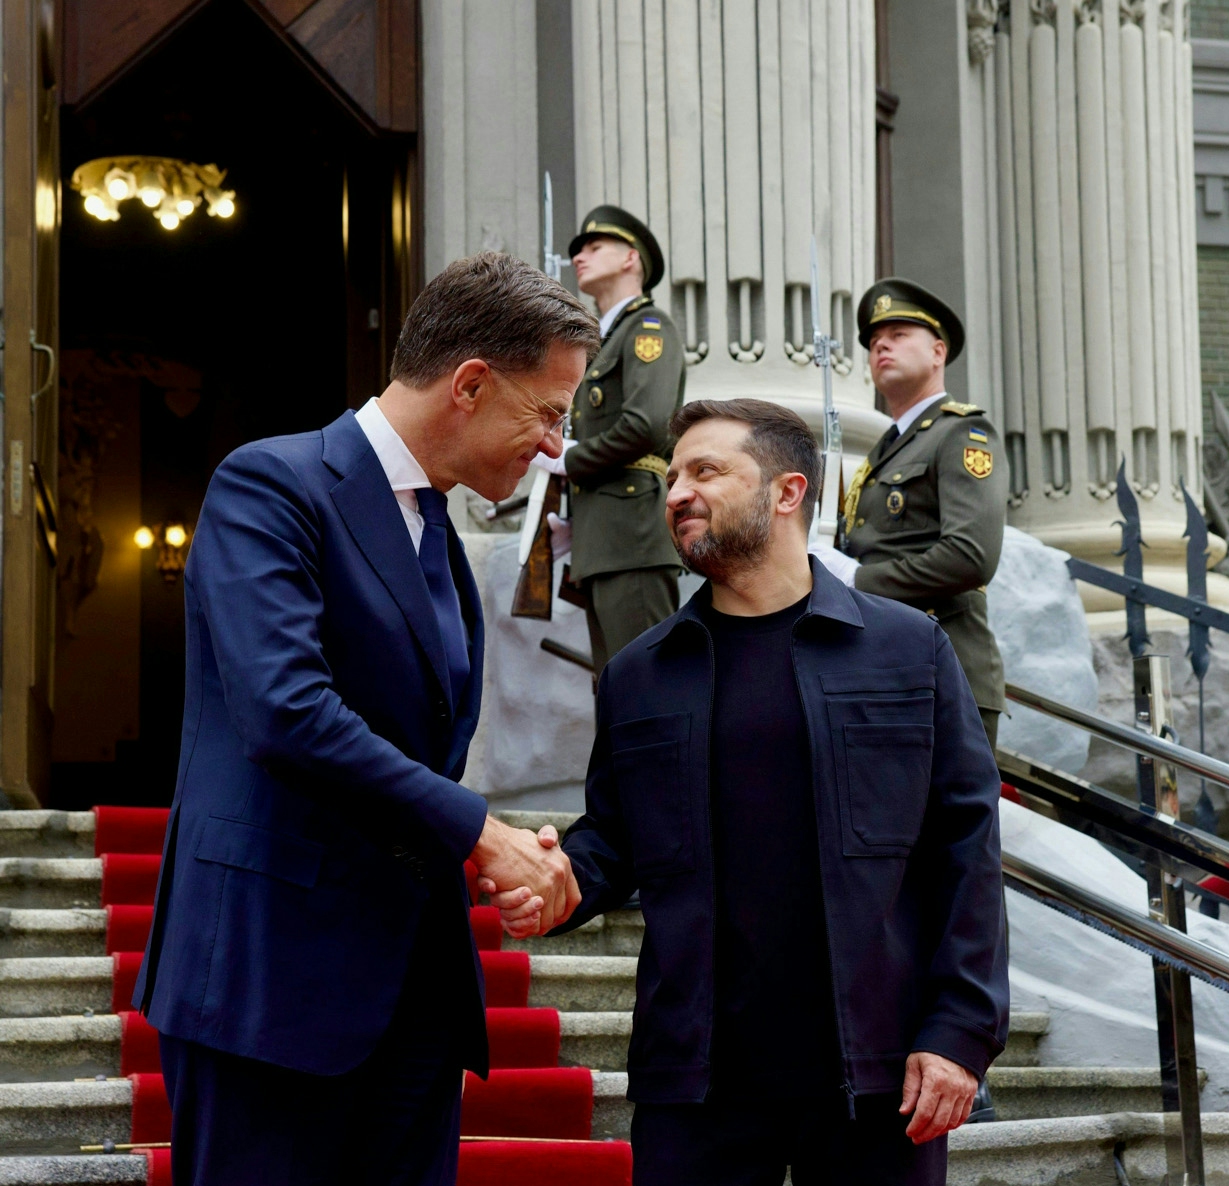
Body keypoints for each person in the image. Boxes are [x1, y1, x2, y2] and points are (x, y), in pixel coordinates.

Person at [134, 253, 589, 1185]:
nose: (553, 446)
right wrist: (481, 835)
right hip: (270, 985)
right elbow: (287, 712)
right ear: (469, 383)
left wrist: (494, 853)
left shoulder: (442, 538)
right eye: (548, 412)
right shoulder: (272, 486)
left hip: (409, 997)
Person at [489, 398, 1009, 1186]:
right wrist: (560, 884)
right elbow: (614, 840)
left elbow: (966, 847)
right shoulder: (639, 673)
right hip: (696, 1081)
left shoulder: (909, 650)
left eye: (706, 470)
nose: (675, 494)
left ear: (787, 492)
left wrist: (961, 1030)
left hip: (876, 1070)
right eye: (670, 478)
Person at [809, 278, 1009, 746]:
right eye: (875, 342)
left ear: (937, 352)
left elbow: (970, 555)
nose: (881, 346)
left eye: (898, 336)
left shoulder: (962, 434)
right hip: (882, 669)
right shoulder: (885, 450)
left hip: (945, 675)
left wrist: (859, 579)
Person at [532, 203, 685, 684]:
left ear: (630, 259)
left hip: (632, 538)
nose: (580, 256)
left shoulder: (647, 329)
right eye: (579, 249)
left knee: (647, 694)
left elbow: (648, 425)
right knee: (618, 697)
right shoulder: (603, 340)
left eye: (595, 247)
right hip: (607, 539)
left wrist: (570, 460)